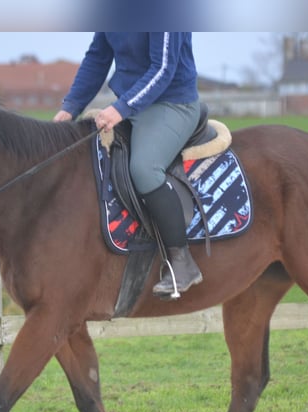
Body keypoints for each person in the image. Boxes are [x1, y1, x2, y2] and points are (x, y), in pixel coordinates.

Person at [53, 33, 203, 298]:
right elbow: (98, 57)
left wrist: (122, 108)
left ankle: (183, 263)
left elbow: (164, 68)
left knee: (144, 169)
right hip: (132, 103)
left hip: (172, 104)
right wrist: (71, 106)